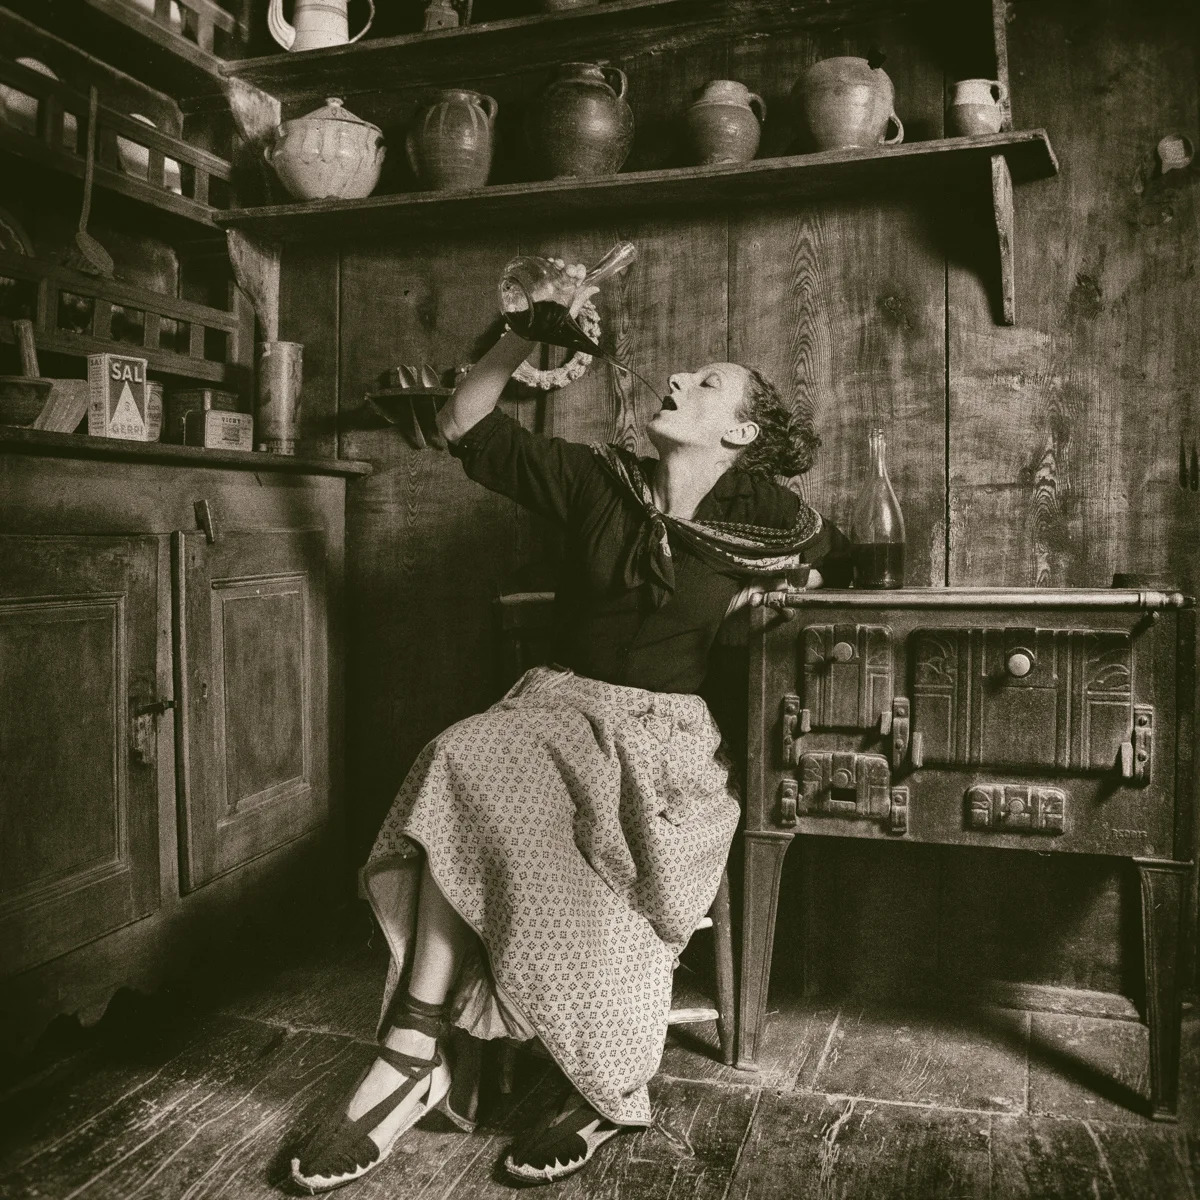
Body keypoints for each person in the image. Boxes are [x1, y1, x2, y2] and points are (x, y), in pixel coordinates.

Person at [291, 263, 850, 1194]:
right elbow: (464, 424)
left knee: (591, 850)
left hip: (663, 744)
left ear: (740, 433)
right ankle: (410, 1050)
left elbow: (830, 553)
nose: (680, 379)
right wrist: (526, 332)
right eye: (685, 373)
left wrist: (789, 588)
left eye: (708, 382)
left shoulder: (762, 515)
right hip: (554, 712)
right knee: (463, 755)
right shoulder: (599, 481)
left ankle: (591, 1084)